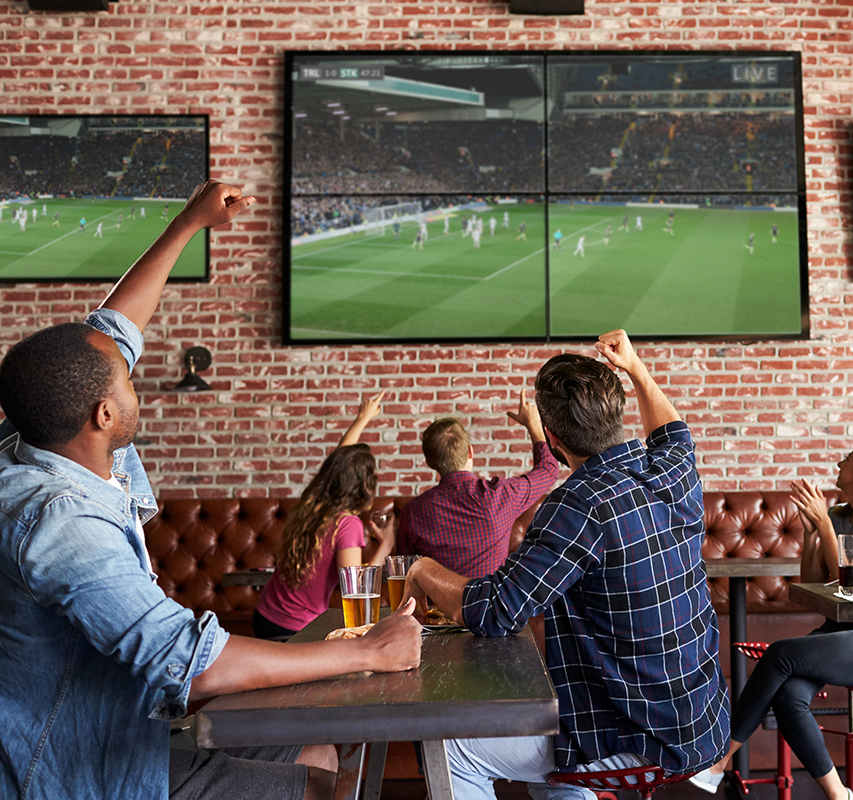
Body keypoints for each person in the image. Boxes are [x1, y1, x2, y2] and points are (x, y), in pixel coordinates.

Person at [0, 181, 422, 800]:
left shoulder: (36, 432)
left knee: (319, 747)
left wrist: (188, 223)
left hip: (135, 726)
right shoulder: (62, 525)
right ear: (103, 416)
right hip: (85, 767)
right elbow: (190, 665)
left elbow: (113, 329)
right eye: (127, 380)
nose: (132, 372)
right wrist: (373, 653)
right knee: (319, 786)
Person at [404, 330, 729, 799]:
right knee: (554, 753)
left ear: (552, 441)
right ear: (617, 412)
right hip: (702, 723)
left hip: (642, 739)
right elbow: (673, 430)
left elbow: (494, 610)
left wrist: (421, 570)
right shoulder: (673, 469)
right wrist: (636, 368)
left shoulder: (577, 505)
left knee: (451, 745)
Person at [693, 444, 853, 800]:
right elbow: (813, 583)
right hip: (835, 634)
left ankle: (720, 759)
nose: (838, 462)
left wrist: (823, 522)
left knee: (781, 654)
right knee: (789, 696)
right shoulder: (838, 514)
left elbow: (851, 583)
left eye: (847, 460)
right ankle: (840, 795)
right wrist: (811, 533)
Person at [253, 392, 397, 640]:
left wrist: (361, 420)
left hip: (265, 615)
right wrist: (386, 545)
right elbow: (355, 588)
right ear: (365, 485)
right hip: (295, 629)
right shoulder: (347, 524)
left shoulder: (313, 505)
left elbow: (338, 463)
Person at [397, 391, 559, 580]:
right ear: (470, 452)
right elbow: (548, 469)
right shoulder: (502, 494)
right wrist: (533, 424)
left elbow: (405, 574)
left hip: (437, 608)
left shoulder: (413, 512)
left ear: (430, 462)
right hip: (488, 606)